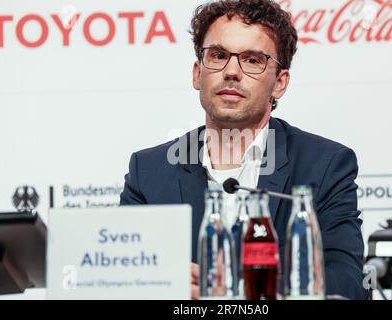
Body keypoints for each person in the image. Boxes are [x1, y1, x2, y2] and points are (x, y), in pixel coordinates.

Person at [120, 0, 367, 300]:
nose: (231, 72)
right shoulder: (148, 171)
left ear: (280, 83)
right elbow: (123, 279)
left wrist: (236, 288)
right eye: (219, 55)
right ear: (198, 74)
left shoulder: (325, 165)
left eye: (252, 60)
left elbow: (346, 282)